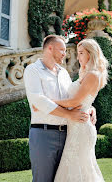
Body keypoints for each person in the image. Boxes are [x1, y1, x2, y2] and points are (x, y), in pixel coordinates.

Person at [23, 35, 96, 182]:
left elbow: (72, 98)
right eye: (62, 49)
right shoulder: (33, 70)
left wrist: (89, 107)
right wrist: (69, 115)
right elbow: (38, 100)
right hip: (43, 134)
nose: (65, 53)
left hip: (67, 135)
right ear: (50, 48)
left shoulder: (63, 73)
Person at [53, 38, 108, 182]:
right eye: (78, 53)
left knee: (81, 170)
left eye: (81, 53)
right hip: (76, 126)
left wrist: (49, 102)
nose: (78, 57)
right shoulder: (86, 74)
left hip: (81, 128)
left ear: (91, 54)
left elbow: (75, 101)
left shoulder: (93, 75)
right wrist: (90, 108)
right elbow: (84, 100)